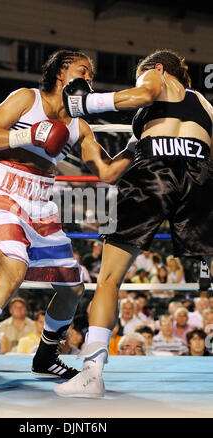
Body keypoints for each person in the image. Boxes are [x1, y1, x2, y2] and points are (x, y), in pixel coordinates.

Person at [0, 49, 134, 400]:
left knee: (73, 286)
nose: (89, 78)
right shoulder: (27, 99)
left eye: (92, 74)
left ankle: (45, 357)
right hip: (2, 191)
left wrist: (136, 143)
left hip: (41, 205)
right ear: (60, 73)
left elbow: (106, 173)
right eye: (82, 70)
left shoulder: (80, 126)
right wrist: (29, 134)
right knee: (12, 271)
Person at [55, 48, 213, 398]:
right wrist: (89, 142)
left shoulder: (156, 79)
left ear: (156, 68)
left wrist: (86, 105)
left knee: (109, 278)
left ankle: (92, 375)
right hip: (200, 175)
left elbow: (143, 93)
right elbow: (111, 171)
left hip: (155, 171)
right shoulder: (204, 109)